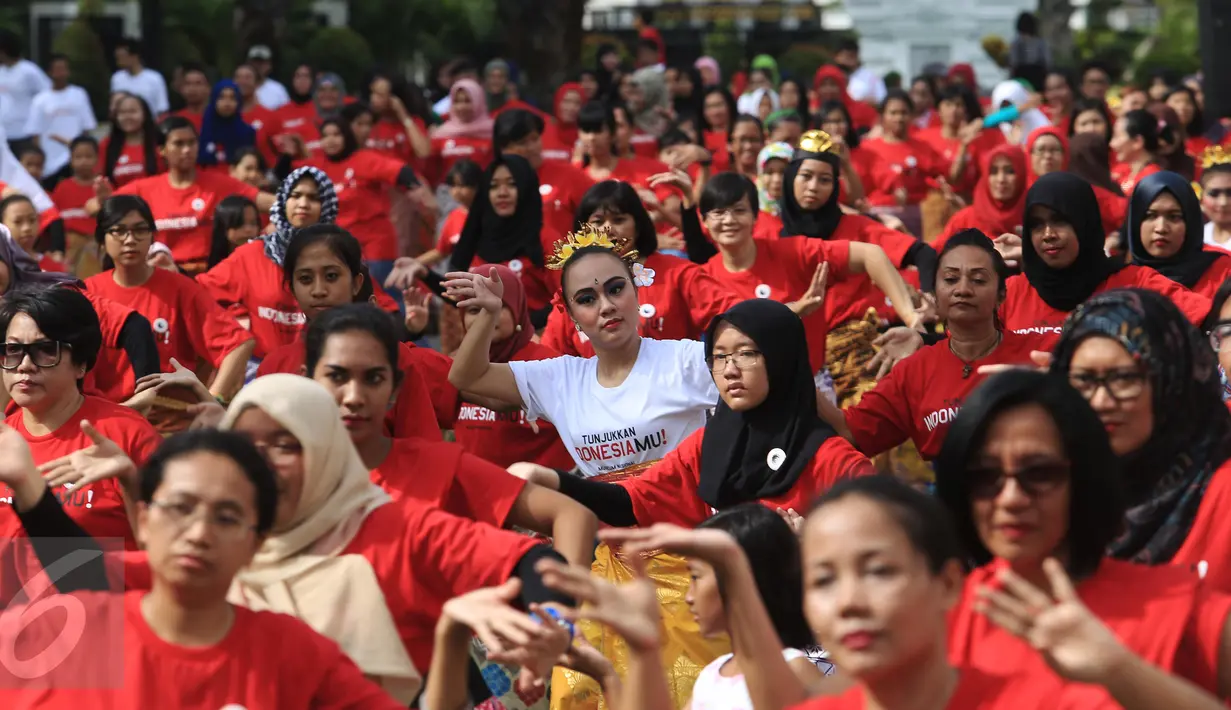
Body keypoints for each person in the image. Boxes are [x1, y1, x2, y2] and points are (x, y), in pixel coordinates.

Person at [0, 428, 409, 708]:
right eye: (181, 508)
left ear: (256, 543)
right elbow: (84, 570)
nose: (198, 533)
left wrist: (450, 640)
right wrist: (30, 487)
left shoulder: (293, 655)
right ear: (143, 520)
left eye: (227, 518)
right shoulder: (60, 633)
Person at [937, 368, 1231, 705]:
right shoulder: (935, 621)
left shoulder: (1180, 608)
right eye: (985, 477)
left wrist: (1122, 672)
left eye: (1040, 473)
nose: (1011, 498)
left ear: (1083, 478)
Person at [303, 302, 597, 566]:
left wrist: (558, 613)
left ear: (394, 388)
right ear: (307, 379)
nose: (354, 396)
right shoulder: (284, 472)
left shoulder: (438, 468)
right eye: (337, 376)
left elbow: (573, 516)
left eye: (374, 379)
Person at [1047, 288, 1231, 592]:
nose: (1101, 401)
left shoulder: (1221, 492)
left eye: (1124, 378)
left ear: (1170, 381)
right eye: (1084, 380)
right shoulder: (1045, 489)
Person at [0, 286, 162, 601]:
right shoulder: (5, 438)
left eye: (46, 350)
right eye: (13, 350)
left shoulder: (126, 434)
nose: (25, 365)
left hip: (105, 628)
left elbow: (166, 547)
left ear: (82, 364)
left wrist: (130, 482)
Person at [828, 231, 1035, 464]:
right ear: (935, 294)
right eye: (950, 279)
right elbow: (851, 432)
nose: (963, 289)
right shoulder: (914, 371)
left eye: (978, 280)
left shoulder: (1036, 356)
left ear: (1001, 295)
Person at [698, 172, 920, 389]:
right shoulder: (702, 280)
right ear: (704, 220)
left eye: (739, 211)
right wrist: (793, 311)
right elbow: (741, 332)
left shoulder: (793, 252)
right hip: (740, 392)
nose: (729, 220)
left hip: (810, 387)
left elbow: (871, 255)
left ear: (756, 216)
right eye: (718, 213)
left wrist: (912, 319)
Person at [252, 224, 450, 441]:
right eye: (306, 279)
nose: (319, 291)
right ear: (292, 289)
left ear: (356, 284)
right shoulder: (274, 366)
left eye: (331, 276)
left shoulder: (396, 358)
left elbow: (422, 448)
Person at [996, 172, 1208, 351]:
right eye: (1037, 225)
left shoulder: (1135, 283)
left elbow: (1212, 317)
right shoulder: (1010, 293)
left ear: (1084, 223)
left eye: (1060, 221)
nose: (1048, 234)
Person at [536, 180, 739, 358]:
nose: (608, 229)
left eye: (619, 220)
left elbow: (736, 317)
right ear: (583, 231)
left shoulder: (679, 274)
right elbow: (551, 361)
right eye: (598, 221)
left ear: (638, 226)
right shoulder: (573, 291)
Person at [85, 196, 254, 401]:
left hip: (171, 421)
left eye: (140, 230)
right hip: (108, 417)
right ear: (102, 240)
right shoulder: (87, 293)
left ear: (152, 237)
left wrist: (213, 400)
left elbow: (238, 344)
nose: (130, 240)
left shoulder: (181, 288)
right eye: (119, 231)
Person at [94, 116, 276, 273]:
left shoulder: (219, 184)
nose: (187, 150)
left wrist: (268, 233)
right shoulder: (142, 189)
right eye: (179, 144)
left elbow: (273, 203)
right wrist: (104, 203)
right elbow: (92, 207)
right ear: (162, 150)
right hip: (160, 276)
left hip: (211, 276)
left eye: (191, 142)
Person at [197, 166, 337, 361]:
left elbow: (377, 309)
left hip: (323, 366)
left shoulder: (342, 254)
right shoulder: (252, 253)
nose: (303, 204)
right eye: (295, 196)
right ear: (283, 201)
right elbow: (198, 293)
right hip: (262, 371)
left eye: (314, 198)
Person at [450, 264, 574, 470]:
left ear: (517, 310)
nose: (485, 316)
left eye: (496, 306)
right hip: (478, 492)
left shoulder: (547, 365)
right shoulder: (455, 366)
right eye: (474, 309)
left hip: (543, 492)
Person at [304, 117, 419, 296]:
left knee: (386, 296)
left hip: (376, 244)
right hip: (342, 246)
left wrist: (412, 185)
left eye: (336, 134)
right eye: (325, 136)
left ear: (347, 136)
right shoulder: (319, 166)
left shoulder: (363, 159)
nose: (331, 140)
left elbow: (399, 170)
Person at [1127, 172, 1231, 299]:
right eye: (1150, 216)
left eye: (1174, 217)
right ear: (1136, 221)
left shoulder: (1223, 272)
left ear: (1190, 222)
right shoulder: (1122, 280)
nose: (1161, 228)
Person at [935, 145, 1026, 250]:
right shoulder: (965, 219)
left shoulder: (1033, 216)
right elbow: (937, 250)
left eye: (1010, 171)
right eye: (993, 172)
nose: (1001, 179)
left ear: (1022, 174)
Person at [24, 53, 95, 178]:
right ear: (50, 72)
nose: (61, 73)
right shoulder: (40, 100)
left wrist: (81, 151)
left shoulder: (79, 94)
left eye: (64, 69)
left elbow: (86, 127)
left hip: (75, 160)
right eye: (57, 70)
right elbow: (35, 133)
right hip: (50, 162)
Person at [0, 31, 52, 152]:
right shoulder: (1, 71)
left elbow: (47, 95)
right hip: (3, 133)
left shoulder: (29, 71)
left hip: (24, 133)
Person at [99, 93, 162, 188]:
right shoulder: (106, 145)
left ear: (145, 114)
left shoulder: (158, 143)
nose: (127, 117)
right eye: (122, 112)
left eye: (133, 111)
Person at [198, 79, 257, 171]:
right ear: (214, 99)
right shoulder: (202, 131)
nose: (227, 103)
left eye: (232, 98)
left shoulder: (247, 133)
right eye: (222, 97)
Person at [1111, 109, 1166, 196]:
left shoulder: (1153, 179)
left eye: (1117, 136)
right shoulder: (1120, 171)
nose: (1112, 144)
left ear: (1137, 141)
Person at [109, 38, 169, 116]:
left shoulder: (155, 78)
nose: (119, 60)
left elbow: (162, 107)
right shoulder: (117, 78)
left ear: (134, 56)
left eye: (122, 56)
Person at [206, 194, 261, 270]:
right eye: (240, 223)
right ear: (223, 226)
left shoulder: (266, 261)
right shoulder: (210, 268)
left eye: (253, 223)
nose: (248, 229)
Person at [248, 44, 290, 110]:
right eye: (255, 62)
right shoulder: (240, 87)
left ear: (269, 65)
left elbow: (286, 116)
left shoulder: (278, 90)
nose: (258, 66)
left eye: (262, 62)